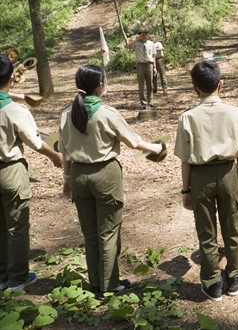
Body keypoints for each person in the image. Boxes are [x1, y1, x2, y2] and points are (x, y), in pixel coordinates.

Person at [59, 65, 162, 294]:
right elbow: (133, 142)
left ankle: (95, 282)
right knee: (108, 231)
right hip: (105, 174)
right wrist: (156, 148)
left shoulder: (66, 113)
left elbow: (64, 151)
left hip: (78, 175)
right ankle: (110, 284)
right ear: (101, 86)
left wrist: (66, 178)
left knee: (90, 232)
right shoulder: (106, 113)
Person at [174, 61, 238, 301]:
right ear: (221, 84)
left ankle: (212, 282)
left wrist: (185, 189)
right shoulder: (235, 112)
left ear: (194, 88)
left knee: (206, 229)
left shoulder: (187, 117)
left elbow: (185, 159)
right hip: (229, 170)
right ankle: (235, 274)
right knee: (232, 224)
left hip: (200, 176)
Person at [0, 55, 63, 291]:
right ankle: (17, 277)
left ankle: (2, 275)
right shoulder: (14, 110)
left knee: (0, 226)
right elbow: (35, 142)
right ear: (12, 78)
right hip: (10, 170)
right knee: (16, 226)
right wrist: (56, 156)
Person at [126, 29, 156, 109]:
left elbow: (153, 56)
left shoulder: (151, 43)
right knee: (141, 85)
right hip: (140, 65)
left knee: (150, 84)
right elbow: (128, 46)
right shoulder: (137, 43)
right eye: (142, 34)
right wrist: (136, 39)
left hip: (149, 64)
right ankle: (143, 102)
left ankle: (151, 101)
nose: (144, 35)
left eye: (145, 34)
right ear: (139, 35)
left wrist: (155, 67)